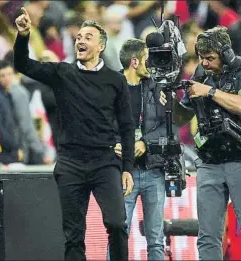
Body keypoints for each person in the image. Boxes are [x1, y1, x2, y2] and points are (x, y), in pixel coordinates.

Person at [14, 7, 135, 261]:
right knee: (73, 236)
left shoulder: (115, 80)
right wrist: (23, 35)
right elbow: (22, 64)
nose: (80, 40)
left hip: (105, 163)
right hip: (70, 164)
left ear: (101, 46)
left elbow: (126, 127)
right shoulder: (63, 73)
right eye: (78, 36)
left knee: (116, 223)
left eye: (87, 37)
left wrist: (127, 168)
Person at [160, 26, 241, 260]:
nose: (204, 63)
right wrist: (171, 103)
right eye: (201, 58)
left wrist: (210, 92)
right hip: (208, 163)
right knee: (207, 235)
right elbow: (181, 118)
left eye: (210, 58)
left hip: (239, 158)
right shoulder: (199, 74)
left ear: (225, 54)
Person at [108, 38, 166, 260]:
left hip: (153, 170)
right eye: (146, 60)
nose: (149, 65)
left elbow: (168, 128)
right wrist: (113, 145)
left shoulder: (156, 87)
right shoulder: (110, 87)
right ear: (134, 62)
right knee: (119, 235)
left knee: (156, 240)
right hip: (122, 173)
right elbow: (100, 124)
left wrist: (145, 143)